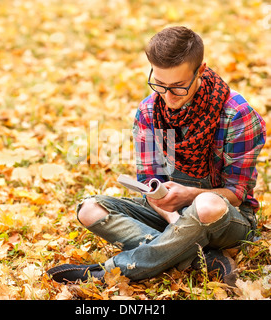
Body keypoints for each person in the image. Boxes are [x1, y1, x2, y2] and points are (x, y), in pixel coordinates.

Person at [47, 26, 266, 286]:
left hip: (225, 218)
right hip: (169, 214)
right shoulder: (149, 111)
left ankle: (105, 273)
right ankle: (200, 257)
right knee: (89, 210)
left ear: (201, 70)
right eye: (159, 84)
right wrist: (175, 220)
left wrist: (189, 196)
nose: (167, 95)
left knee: (207, 205)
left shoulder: (237, 115)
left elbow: (237, 193)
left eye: (178, 87)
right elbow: (150, 184)